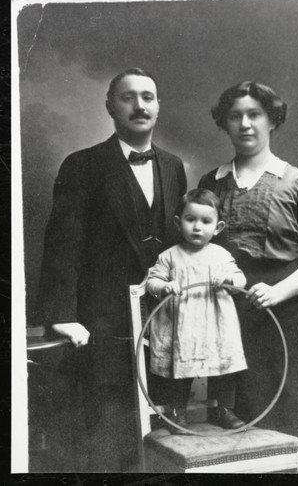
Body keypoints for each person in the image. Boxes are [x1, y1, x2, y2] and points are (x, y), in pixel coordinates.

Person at [35, 67, 187, 471]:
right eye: (128, 97)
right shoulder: (82, 165)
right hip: (102, 324)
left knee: (165, 440)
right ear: (109, 107)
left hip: (161, 322)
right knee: (108, 442)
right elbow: (62, 247)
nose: (140, 105)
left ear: (158, 106)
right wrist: (62, 317)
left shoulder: (173, 166)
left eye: (148, 97)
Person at [198, 81, 298, 474]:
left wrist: (277, 292)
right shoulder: (211, 184)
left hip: (288, 320)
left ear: (272, 120)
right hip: (232, 321)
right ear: (224, 123)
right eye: (236, 115)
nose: (245, 123)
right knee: (240, 432)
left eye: (254, 114)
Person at [146, 188, 248, 433]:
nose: (197, 227)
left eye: (206, 221)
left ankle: (224, 410)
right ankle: (177, 412)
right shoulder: (169, 256)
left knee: (223, 370)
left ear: (218, 227)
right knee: (180, 371)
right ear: (178, 222)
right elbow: (151, 282)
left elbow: (241, 280)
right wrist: (165, 286)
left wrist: (229, 280)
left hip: (216, 324)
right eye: (190, 220)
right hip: (182, 325)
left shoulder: (222, 255)